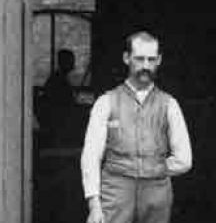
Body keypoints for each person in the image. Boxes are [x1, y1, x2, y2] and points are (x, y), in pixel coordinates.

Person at [79, 31, 193, 223]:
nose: (145, 66)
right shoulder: (106, 102)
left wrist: (155, 168)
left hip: (156, 195)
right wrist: (94, 205)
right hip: (115, 192)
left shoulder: (169, 105)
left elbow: (185, 160)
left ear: (159, 60)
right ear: (126, 58)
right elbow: (91, 155)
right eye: (140, 59)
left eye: (151, 59)